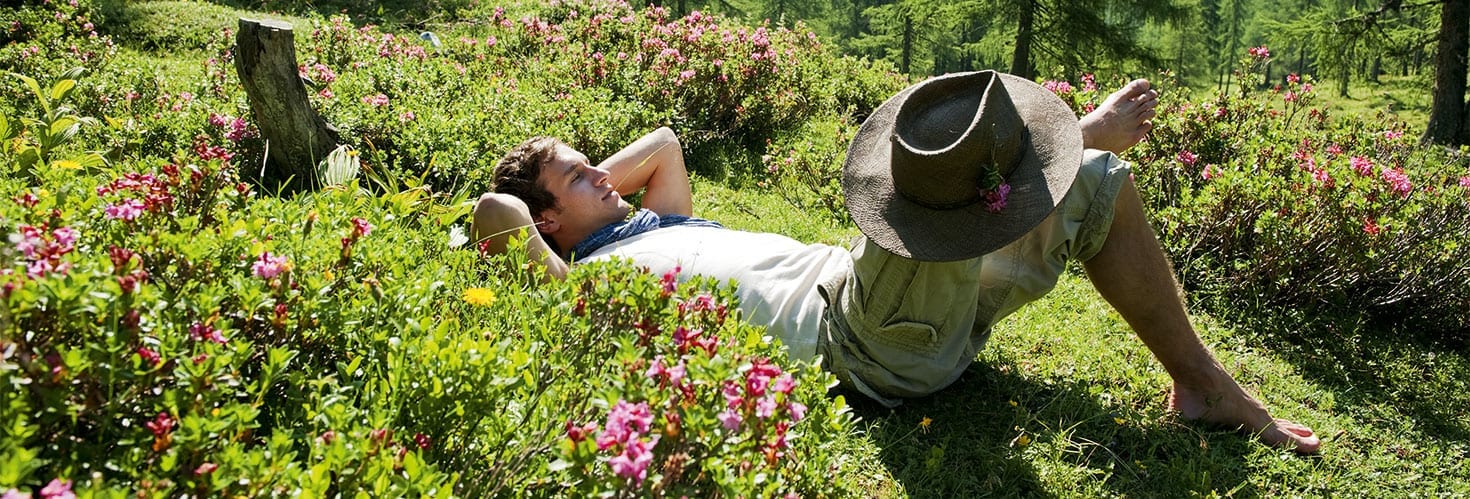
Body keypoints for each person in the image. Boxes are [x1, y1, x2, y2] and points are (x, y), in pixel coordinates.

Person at [471, 71, 1322, 454]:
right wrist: (556, 223)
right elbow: (495, 212)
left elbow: (663, 142)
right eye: (575, 175)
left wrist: (589, 193)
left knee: (1099, 183)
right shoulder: (578, 284)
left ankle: (1202, 386)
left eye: (593, 161)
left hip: (895, 303)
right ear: (548, 219)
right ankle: (1069, 134)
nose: (599, 171)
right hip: (862, 340)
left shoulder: (652, 223)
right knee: (918, 198)